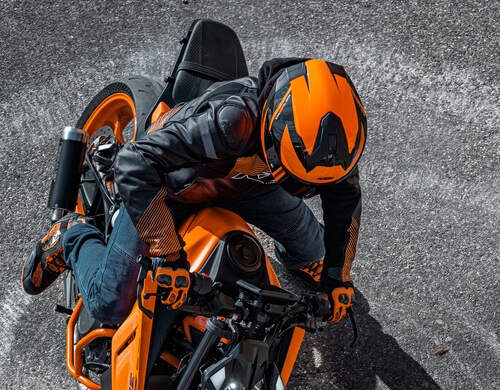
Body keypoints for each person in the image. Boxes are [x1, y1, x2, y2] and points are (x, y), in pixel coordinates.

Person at [21, 58, 365, 325]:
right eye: (297, 180)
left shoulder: (332, 144)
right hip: (169, 188)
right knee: (109, 305)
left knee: (319, 253)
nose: (304, 191)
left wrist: (338, 277)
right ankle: (72, 237)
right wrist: (168, 255)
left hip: (250, 184)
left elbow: (345, 199)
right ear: (274, 132)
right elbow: (133, 163)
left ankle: (299, 256)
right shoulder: (229, 123)